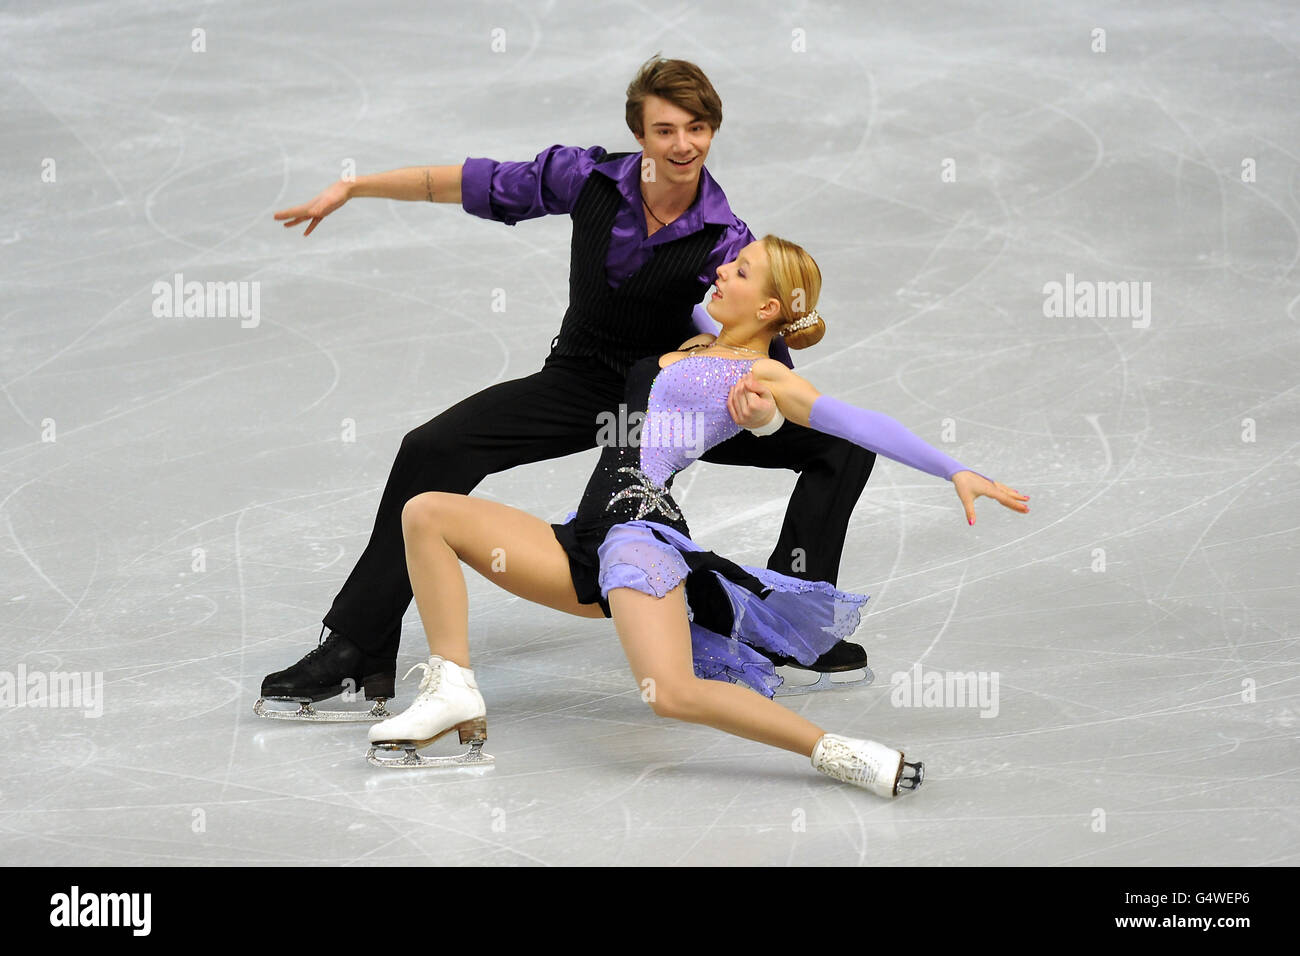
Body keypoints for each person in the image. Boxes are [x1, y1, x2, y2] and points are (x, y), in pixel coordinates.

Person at [258, 56, 881, 720]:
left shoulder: (724, 239)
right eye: (665, 129)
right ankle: (359, 642)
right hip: (579, 384)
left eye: (697, 129)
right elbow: (473, 183)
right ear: (639, 133)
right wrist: (357, 188)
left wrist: (752, 412)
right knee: (432, 447)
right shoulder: (586, 178)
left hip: (659, 408)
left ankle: (793, 628)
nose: (683, 145)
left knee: (841, 446)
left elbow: (764, 355)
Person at [365, 235, 1030, 798]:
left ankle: (843, 754)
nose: (722, 271)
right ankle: (453, 690)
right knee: (427, 513)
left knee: (671, 694)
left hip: (637, 536)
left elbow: (854, 423)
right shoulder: (703, 333)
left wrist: (953, 470)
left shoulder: (762, 375)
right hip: (584, 534)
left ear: (769, 306)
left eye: (739, 271)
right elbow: (668, 284)